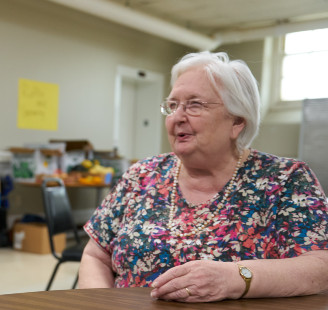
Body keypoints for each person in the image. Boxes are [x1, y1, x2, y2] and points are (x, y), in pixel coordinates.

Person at [78, 51, 328, 302]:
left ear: (237, 121)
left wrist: (236, 277)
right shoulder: (141, 175)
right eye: (173, 105)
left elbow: (320, 265)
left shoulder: (286, 180)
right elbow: (95, 255)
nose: (177, 117)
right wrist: (102, 304)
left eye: (195, 105)